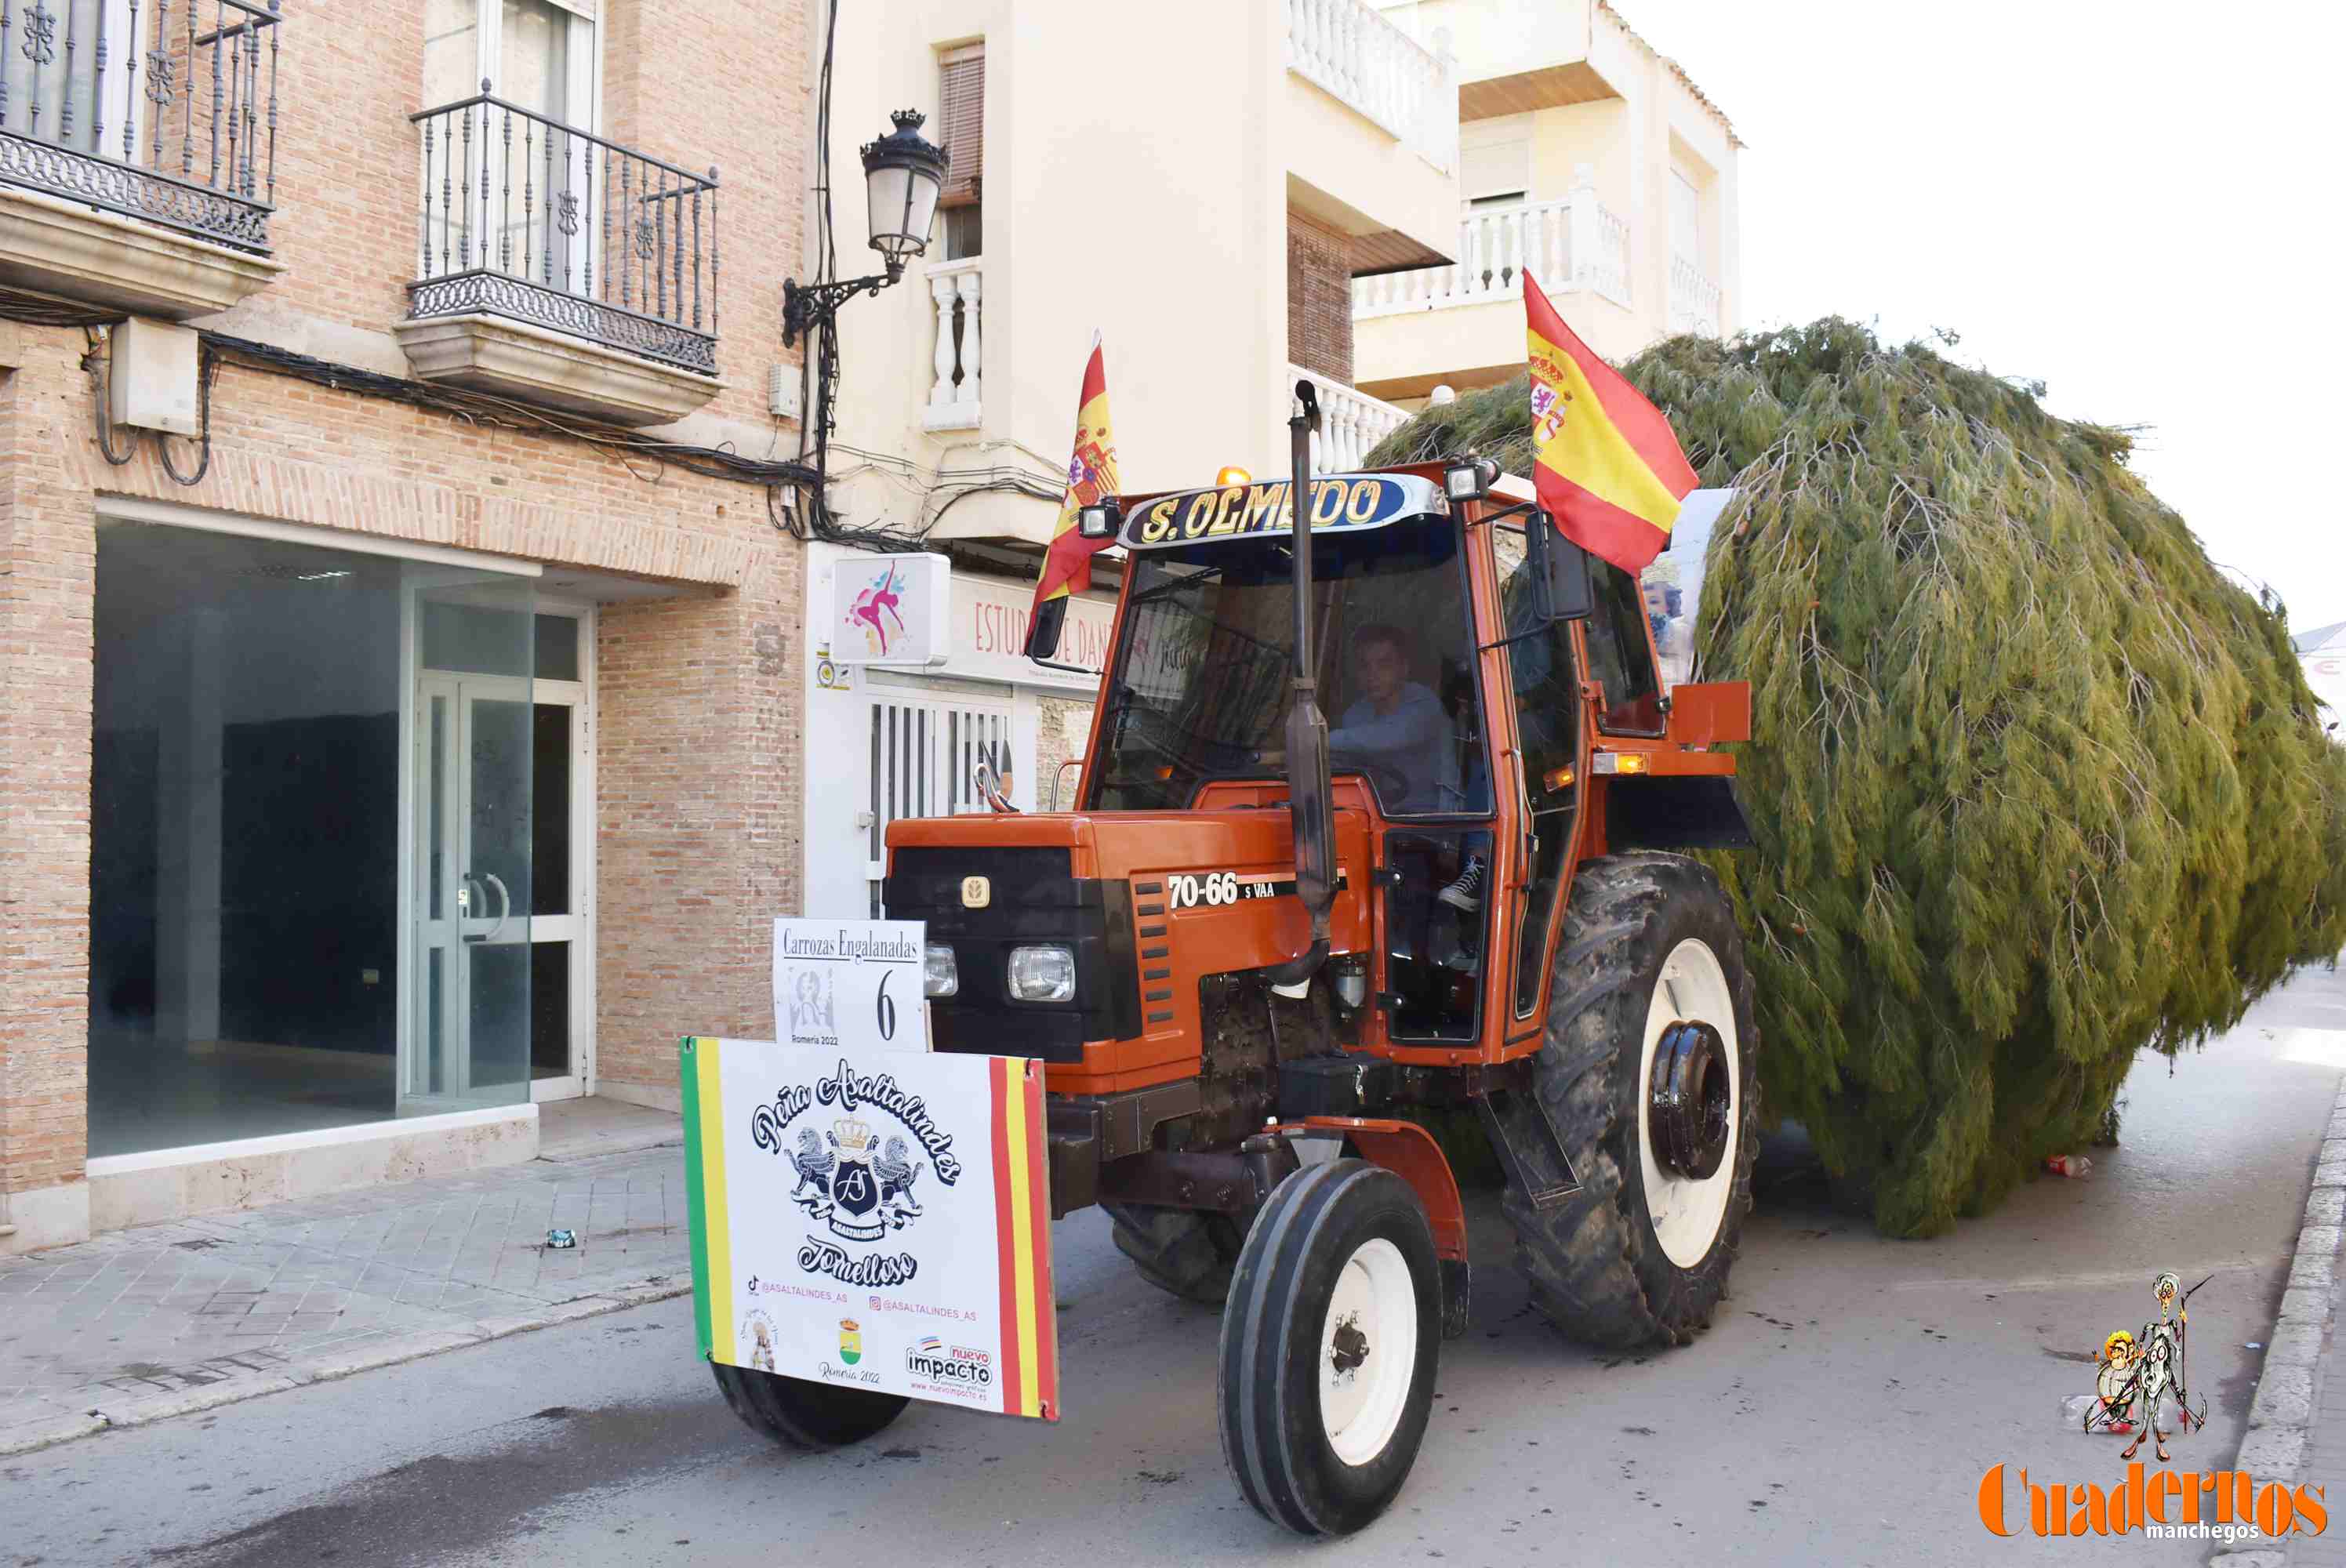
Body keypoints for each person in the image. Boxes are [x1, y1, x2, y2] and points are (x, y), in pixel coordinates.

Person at [1327, 624, 1460, 814]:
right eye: (1365, 666)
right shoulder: (1355, 715)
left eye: (1384, 664)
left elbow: (1386, 737)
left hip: (1432, 821)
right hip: (1378, 817)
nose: (1373, 675)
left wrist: (1319, 740)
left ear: (1403, 669)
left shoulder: (1425, 705)